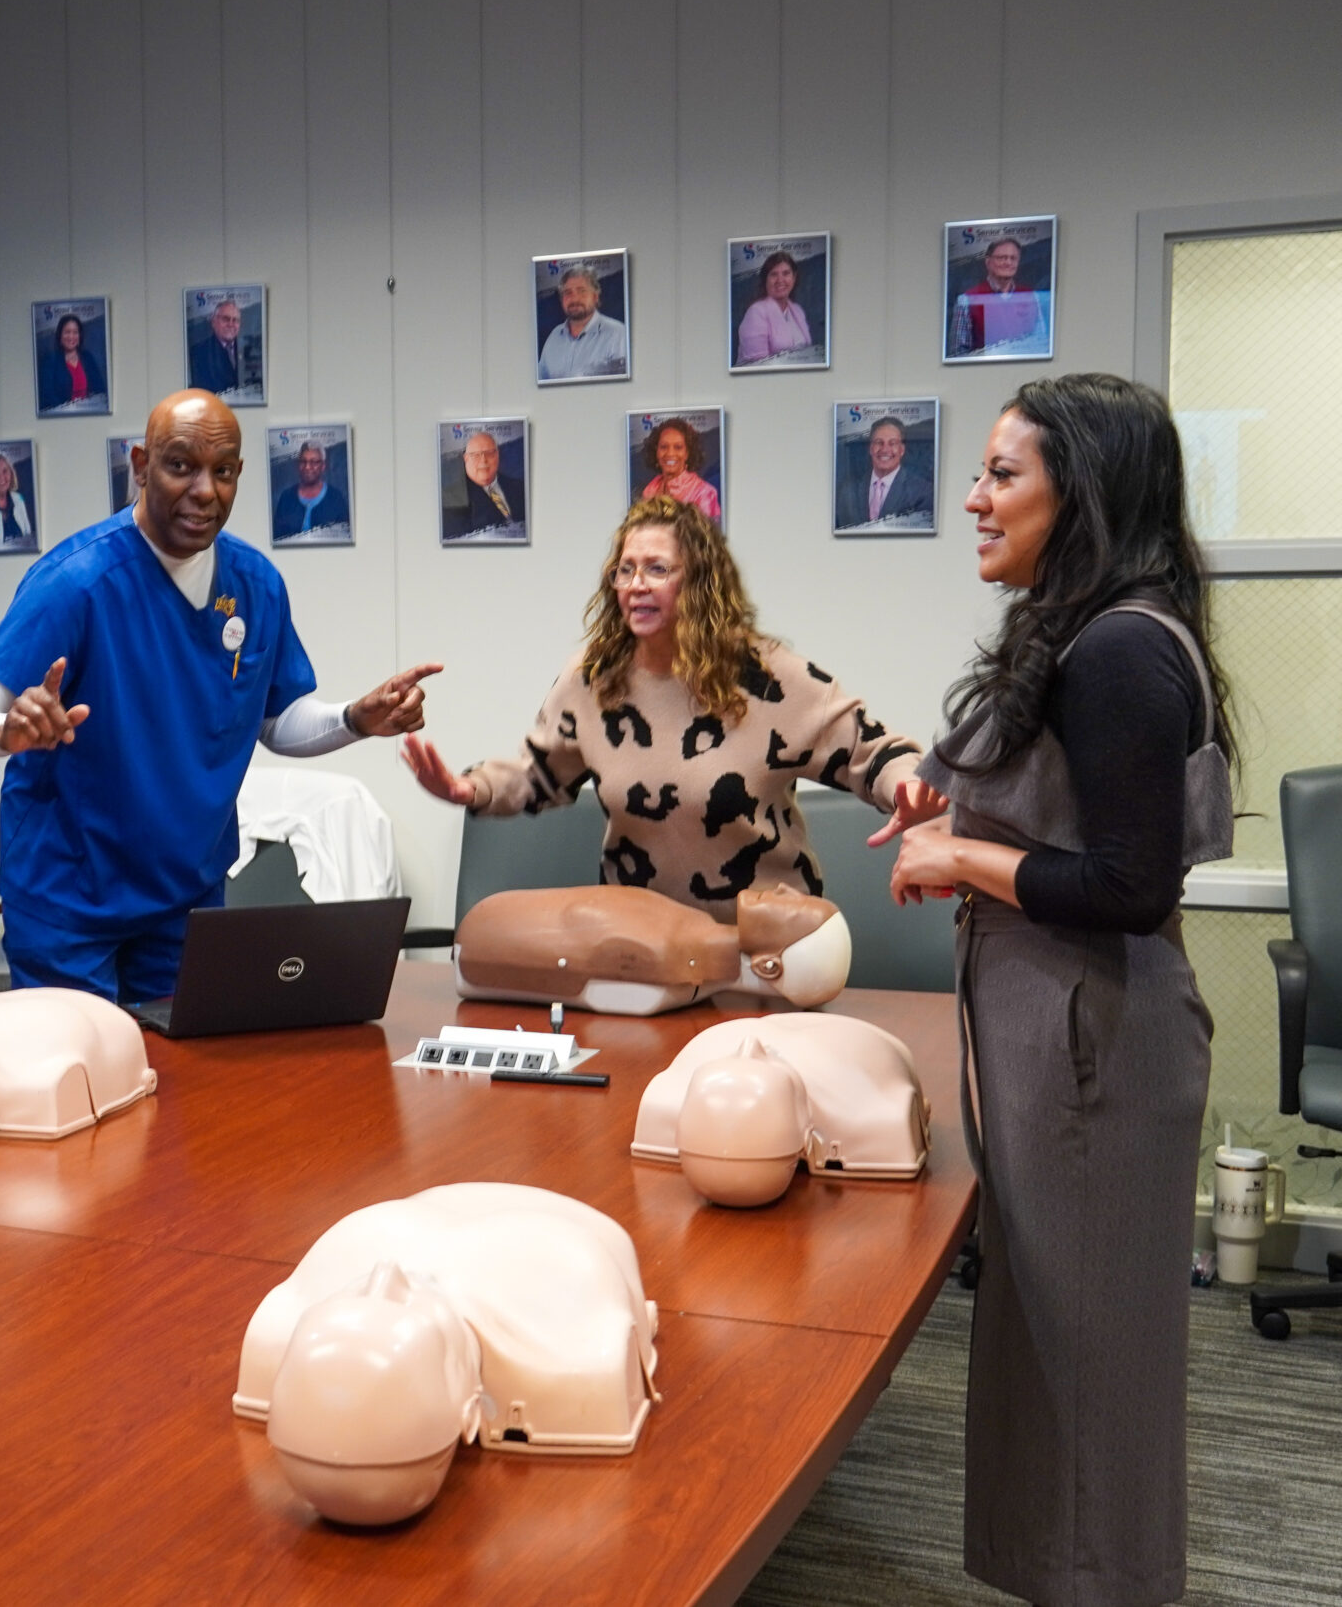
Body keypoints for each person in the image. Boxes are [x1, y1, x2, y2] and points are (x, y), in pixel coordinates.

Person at [879, 374, 1232, 1607]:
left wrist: (959, 855)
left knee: (1090, 1375)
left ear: (1075, 492)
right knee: (1056, 1357)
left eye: (1000, 475)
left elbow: (1130, 883)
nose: (973, 498)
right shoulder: (1076, 627)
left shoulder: (1125, 647)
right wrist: (941, 793)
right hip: (1060, 1037)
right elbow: (1045, 776)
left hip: (1097, 1042)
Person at [0, 388, 439, 1001]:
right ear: (140, 467)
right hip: (69, 900)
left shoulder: (256, 585)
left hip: (184, 899)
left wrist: (355, 717)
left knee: (181, 1088)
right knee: (81, 1081)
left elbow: (277, 720)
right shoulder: (78, 581)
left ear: (239, 476)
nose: (204, 490)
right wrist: (3, 732)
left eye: (222, 472)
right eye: (180, 466)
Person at [401, 495, 927, 920]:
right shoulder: (595, 676)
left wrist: (909, 787)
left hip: (765, 943)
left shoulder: (767, 676)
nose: (636, 586)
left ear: (698, 581)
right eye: (625, 570)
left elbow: (873, 750)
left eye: (656, 569)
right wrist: (472, 789)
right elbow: (539, 773)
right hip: (641, 947)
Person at [949, 236, 1048, 358]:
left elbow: (1041, 344)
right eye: (1002, 258)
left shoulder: (1032, 297)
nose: (1008, 262)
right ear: (988, 262)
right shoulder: (966, 300)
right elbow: (958, 354)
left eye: (1013, 258)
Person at [835, 415, 932, 530]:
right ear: (871, 448)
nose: (885, 449)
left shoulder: (922, 491)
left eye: (892, 443)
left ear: (902, 450)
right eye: (879, 442)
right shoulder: (848, 491)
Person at [536, 263, 629, 381]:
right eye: (568, 293)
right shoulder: (554, 337)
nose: (574, 299)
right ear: (561, 300)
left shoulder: (618, 334)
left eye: (582, 291)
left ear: (595, 297)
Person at [734, 249, 813, 366]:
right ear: (765, 280)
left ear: (794, 277)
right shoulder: (756, 313)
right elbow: (756, 366)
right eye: (774, 274)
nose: (780, 280)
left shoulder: (797, 311)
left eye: (786, 273)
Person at [634, 417, 721, 525]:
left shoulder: (705, 493)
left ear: (688, 453)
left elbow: (707, 538)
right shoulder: (650, 489)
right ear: (656, 451)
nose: (670, 453)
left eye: (678, 447)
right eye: (664, 447)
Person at [445, 429, 523, 540]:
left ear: (497, 455)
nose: (483, 461)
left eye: (489, 453)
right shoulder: (451, 497)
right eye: (476, 455)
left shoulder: (520, 488)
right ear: (466, 459)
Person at [271, 438, 350, 540]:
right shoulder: (286, 497)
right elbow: (277, 538)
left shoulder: (336, 498)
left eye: (314, 462)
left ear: (323, 466)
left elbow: (344, 537)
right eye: (303, 461)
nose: (307, 467)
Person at [188, 295, 259, 396]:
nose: (231, 324)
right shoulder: (198, 352)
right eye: (226, 319)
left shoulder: (249, 349)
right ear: (213, 322)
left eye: (235, 320)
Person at [38, 312, 107, 413]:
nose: (71, 336)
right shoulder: (50, 361)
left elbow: (100, 389)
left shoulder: (87, 357)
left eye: (75, 332)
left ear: (80, 336)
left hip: (90, 413)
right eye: (67, 332)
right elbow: (47, 397)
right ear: (60, 336)